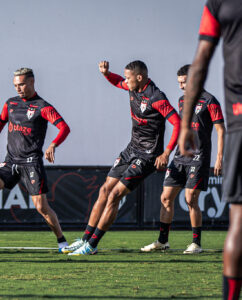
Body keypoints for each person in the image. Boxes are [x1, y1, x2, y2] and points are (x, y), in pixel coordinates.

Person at [62, 60, 181, 256]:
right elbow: (117, 82)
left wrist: (166, 152)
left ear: (139, 78)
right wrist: (106, 74)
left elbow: (177, 123)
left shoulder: (156, 97)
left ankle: (91, 245)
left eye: (129, 78)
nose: (126, 81)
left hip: (148, 155)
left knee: (115, 195)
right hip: (131, 149)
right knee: (104, 190)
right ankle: (84, 239)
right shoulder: (132, 87)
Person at [177, 0, 242, 298]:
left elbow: (201, 60)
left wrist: (185, 124)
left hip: (239, 118)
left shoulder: (219, 3)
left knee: (238, 224)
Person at [0, 67, 71, 251]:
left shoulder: (42, 106)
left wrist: (53, 144)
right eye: (15, 85)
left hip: (31, 162)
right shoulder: (10, 104)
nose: (18, 88)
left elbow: (64, 127)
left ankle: (62, 242)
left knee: (41, 207)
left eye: (22, 84)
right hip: (11, 161)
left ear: (32, 82)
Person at [141, 64, 225, 254]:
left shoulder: (210, 101)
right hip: (180, 158)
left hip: (198, 157)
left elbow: (221, 130)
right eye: (179, 82)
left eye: (184, 82)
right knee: (165, 197)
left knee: (190, 199)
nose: (181, 86)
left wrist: (220, 158)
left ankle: (196, 243)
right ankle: (163, 241)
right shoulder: (181, 101)